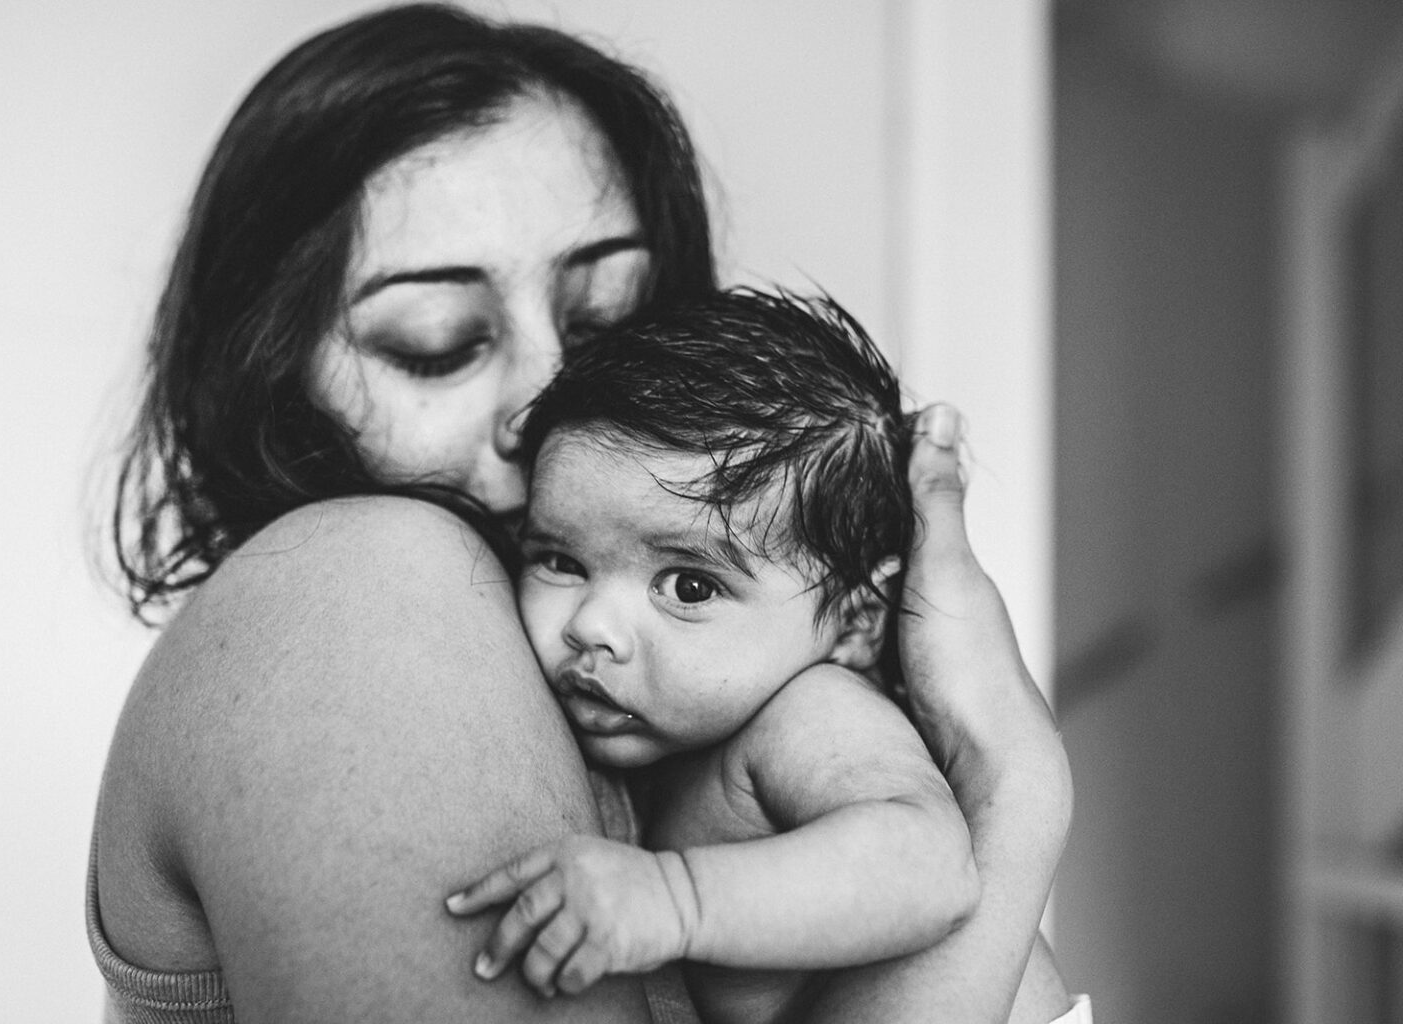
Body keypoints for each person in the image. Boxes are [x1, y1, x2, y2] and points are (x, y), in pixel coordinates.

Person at [90, 5, 1074, 1023]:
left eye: (605, 324)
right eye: (439, 342)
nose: (545, 404)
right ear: (270, 379)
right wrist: (1014, 780)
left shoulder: (729, 712)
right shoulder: (363, 585)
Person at [444, 288, 975, 1024]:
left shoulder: (814, 713)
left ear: (855, 623)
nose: (592, 626)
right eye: (561, 560)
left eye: (688, 586)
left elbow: (931, 868)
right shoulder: (665, 725)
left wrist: (675, 899)